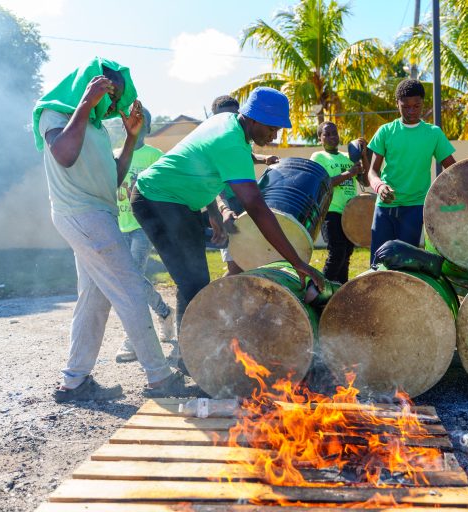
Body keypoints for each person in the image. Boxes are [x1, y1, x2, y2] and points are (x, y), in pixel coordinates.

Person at [32, 57, 194, 402]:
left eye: (116, 95)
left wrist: (132, 138)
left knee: (95, 297)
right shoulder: (55, 114)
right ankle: (159, 378)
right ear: (90, 84)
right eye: (109, 92)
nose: (111, 102)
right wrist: (85, 104)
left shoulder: (95, 128)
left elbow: (113, 180)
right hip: (82, 214)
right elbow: (63, 154)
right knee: (131, 287)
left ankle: (73, 382)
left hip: (98, 214)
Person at [131, 86, 325, 370]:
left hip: (177, 201)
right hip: (157, 200)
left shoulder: (231, 128)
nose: (275, 135)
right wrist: (297, 262)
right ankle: (190, 359)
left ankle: (188, 357)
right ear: (254, 119)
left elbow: (199, 167)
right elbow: (257, 207)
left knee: (193, 280)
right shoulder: (231, 140)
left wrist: (213, 210)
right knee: (194, 282)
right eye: (272, 128)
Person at [366, 79, 456, 259]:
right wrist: (379, 187)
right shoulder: (385, 131)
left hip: (415, 207)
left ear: (423, 103)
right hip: (385, 206)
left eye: (417, 106)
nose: (411, 111)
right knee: (378, 263)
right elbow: (372, 171)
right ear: (397, 104)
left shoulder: (433, 133)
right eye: (405, 106)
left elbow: (453, 170)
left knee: (405, 263)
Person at [114, 107, 176, 363]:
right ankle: (163, 312)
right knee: (130, 280)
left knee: (131, 281)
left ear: (148, 127)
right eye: (131, 120)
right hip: (118, 225)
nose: (136, 124)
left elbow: (163, 191)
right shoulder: (115, 154)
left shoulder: (155, 156)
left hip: (143, 227)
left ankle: (134, 338)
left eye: (142, 121)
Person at [210, 94, 279, 276]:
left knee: (250, 261)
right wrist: (223, 209)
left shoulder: (240, 137)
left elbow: (245, 156)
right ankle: (214, 298)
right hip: (226, 207)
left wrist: (264, 159)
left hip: (242, 203)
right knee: (235, 266)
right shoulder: (217, 140)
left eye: (234, 115)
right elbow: (214, 188)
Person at [310, 121, 369, 283]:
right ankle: (319, 289)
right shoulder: (319, 156)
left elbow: (365, 182)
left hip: (350, 213)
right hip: (331, 211)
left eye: (334, 133)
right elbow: (324, 183)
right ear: (319, 138)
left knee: (347, 254)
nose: (332, 137)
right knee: (337, 252)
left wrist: (364, 155)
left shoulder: (349, 156)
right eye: (326, 134)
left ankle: (340, 290)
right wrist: (349, 174)